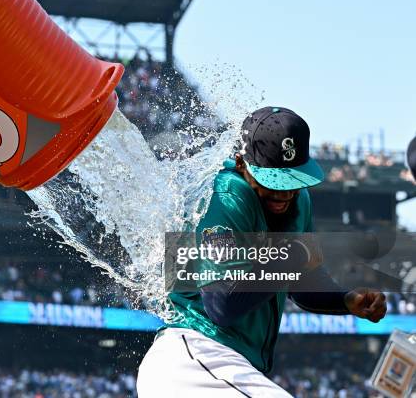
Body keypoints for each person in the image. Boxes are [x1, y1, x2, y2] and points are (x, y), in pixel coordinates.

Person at [137, 107, 387, 397]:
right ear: (243, 163)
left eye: (292, 181)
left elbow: (301, 280)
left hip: (230, 366)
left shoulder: (299, 200)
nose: (284, 194)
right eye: (273, 181)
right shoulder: (226, 195)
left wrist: (344, 299)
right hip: (193, 361)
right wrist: (294, 256)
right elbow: (222, 304)